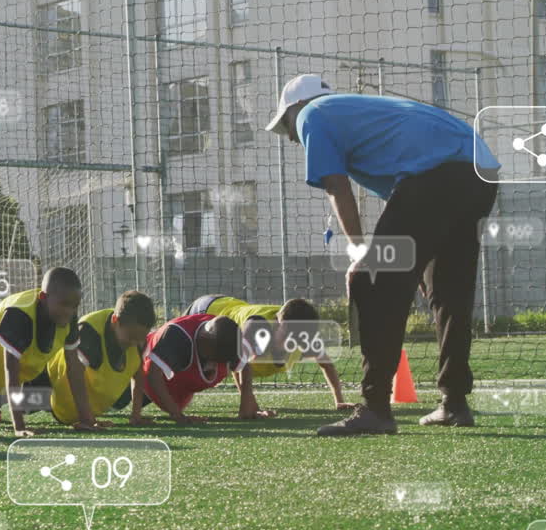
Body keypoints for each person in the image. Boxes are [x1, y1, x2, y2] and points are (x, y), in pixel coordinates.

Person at [266, 74, 499, 435]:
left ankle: (375, 408)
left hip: (436, 177)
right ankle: (454, 402)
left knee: (369, 280)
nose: (292, 137)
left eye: (287, 125)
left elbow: (336, 186)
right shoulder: (361, 116)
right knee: (448, 293)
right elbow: (418, 211)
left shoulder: (313, 114)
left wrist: (360, 252)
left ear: (297, 106)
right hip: (480, 173)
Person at [0, 266, 98, 437]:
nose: (69, 311)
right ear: (43, 297)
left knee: (38, 394)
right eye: (64, 304)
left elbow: (74, 368)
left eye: (74, 306)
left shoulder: (69, 318)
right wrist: (19, 427)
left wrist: (87, 419)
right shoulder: (19, 314)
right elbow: (10, 370)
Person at [187, 294, 349, 412]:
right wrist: (251, 405)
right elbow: (239, 363)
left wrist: (339, 401)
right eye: (286, 335)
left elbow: (327, 364)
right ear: (279, 324)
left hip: (229, 305)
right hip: (208, 310)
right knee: (194, 368)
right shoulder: (257, 329)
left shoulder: (305, 337)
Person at [47, 291, 157, 428]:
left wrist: (136, 415)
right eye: (131, 337)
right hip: (50, 387)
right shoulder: (89, 333)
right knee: (26, 401)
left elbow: (138, 372)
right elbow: (74, 373)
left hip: (92, 399)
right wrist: (87, 419)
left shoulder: (136, 334)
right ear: (115, 321)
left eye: (141, 338)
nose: (136, 343)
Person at [130, 313, 251, 424]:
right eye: (215, 358)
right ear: (204, 341)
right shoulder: (177, 336)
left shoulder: (228, 337)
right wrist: (177, 415)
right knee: (120, 398)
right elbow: (152, 374)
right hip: (142, 377)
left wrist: (248, 403)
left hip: (179, 387)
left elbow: (244, 365)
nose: (215, 364)